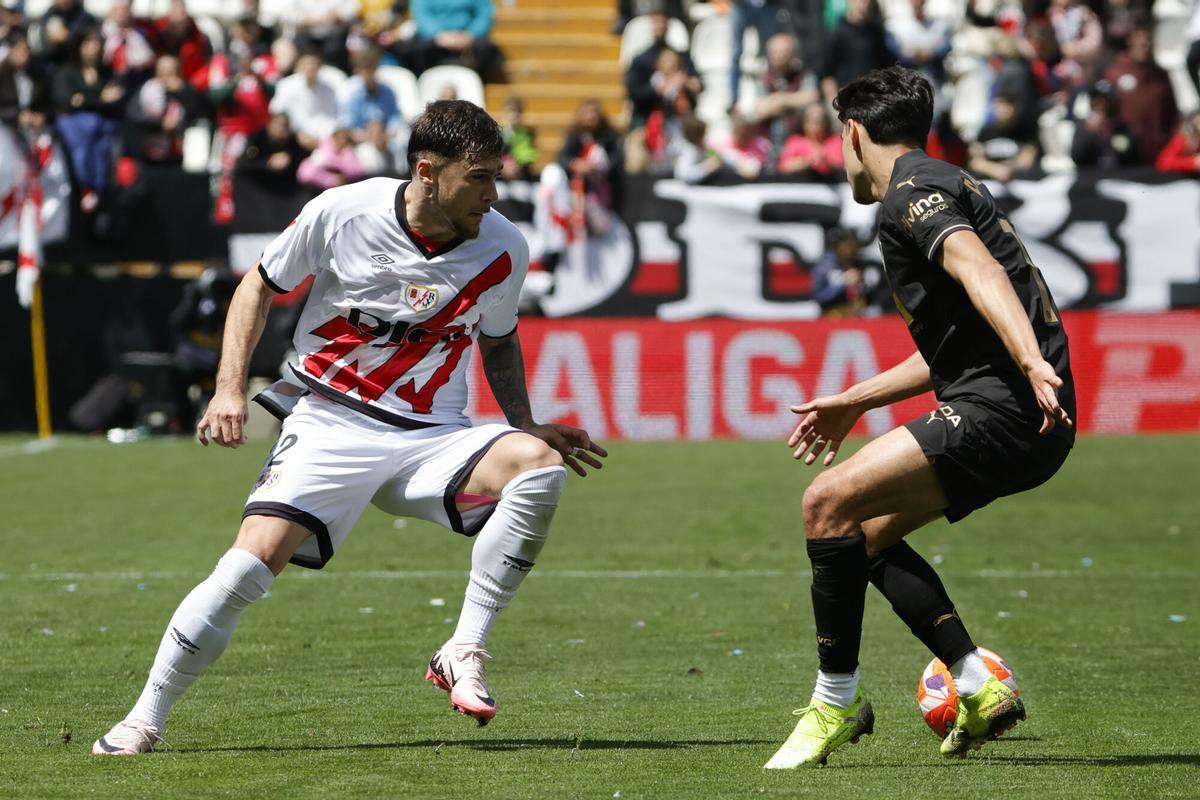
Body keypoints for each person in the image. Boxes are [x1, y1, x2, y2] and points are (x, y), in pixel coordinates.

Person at [91, 99, 607, 756]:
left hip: (430, 439)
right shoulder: (344, 212)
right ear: (427, 170)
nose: (493, 192)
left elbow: (498, 342)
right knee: (243, 571)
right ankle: (143, 718)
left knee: (539, 465)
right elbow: (257, 285)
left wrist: (526, 422)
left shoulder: (503, 246)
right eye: (478, 176)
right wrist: (228, 389)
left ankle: (464, 647)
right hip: (331, 423)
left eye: (495, 175)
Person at [763, 66, 1074, 770]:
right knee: (862, 535)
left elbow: (980, 271)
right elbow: (956, 347)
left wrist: (1029, 360)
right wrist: (853, 400)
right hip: (1022, 414)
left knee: (825, 501)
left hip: (1005, 408)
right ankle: (975, 681)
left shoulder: (910, 192)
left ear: (852, 133)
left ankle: (832, 706)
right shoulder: (948, 179)